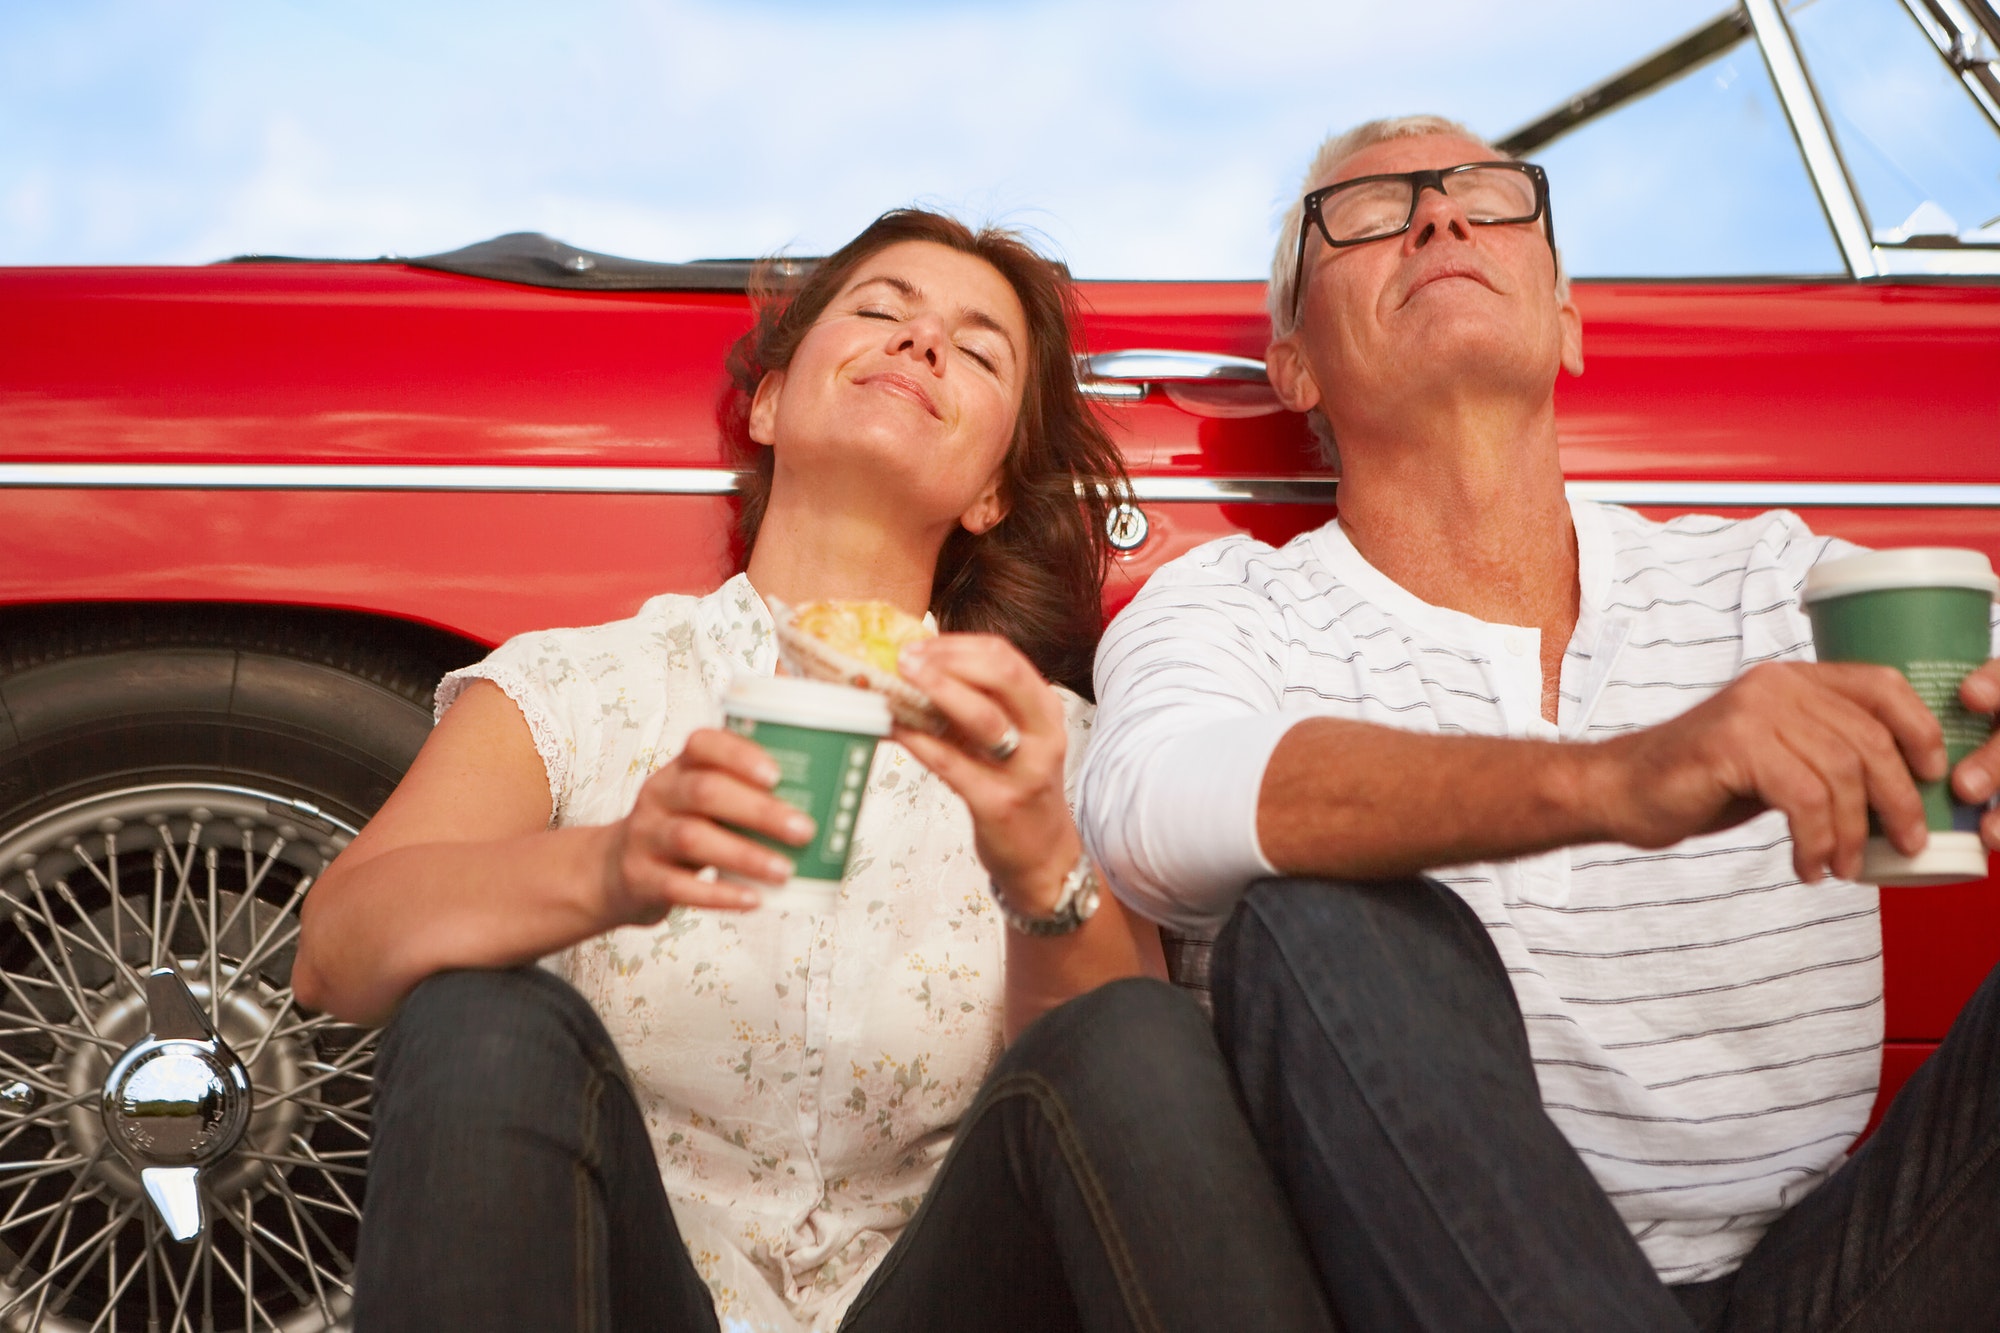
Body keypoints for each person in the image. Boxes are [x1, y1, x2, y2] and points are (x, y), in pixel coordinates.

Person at [293, 209, 1334, 1333]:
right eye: (881, 312)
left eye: (976, 351)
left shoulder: (1058, 746)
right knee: (477, 1012)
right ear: (771, 403)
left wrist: (1038, 859)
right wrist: (608, 868)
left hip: (937, 1301)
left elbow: (1115, 1109)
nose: (921, 343)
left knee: (1139, 1030)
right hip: (632, 1295)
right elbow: (335, 954)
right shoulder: (582, 684)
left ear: (991, 490)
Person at [1079, 116, 2000, 1331]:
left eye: (1489, 197)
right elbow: (1147, 807)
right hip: (1425, 1289)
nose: (1439, 218)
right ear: (1292, 362)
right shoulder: (1229, 606)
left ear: (1565, 324)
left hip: (1829, 1278)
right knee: (1311, 914)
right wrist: (1624, 778)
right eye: (1366, 212)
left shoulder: (1778, 584)